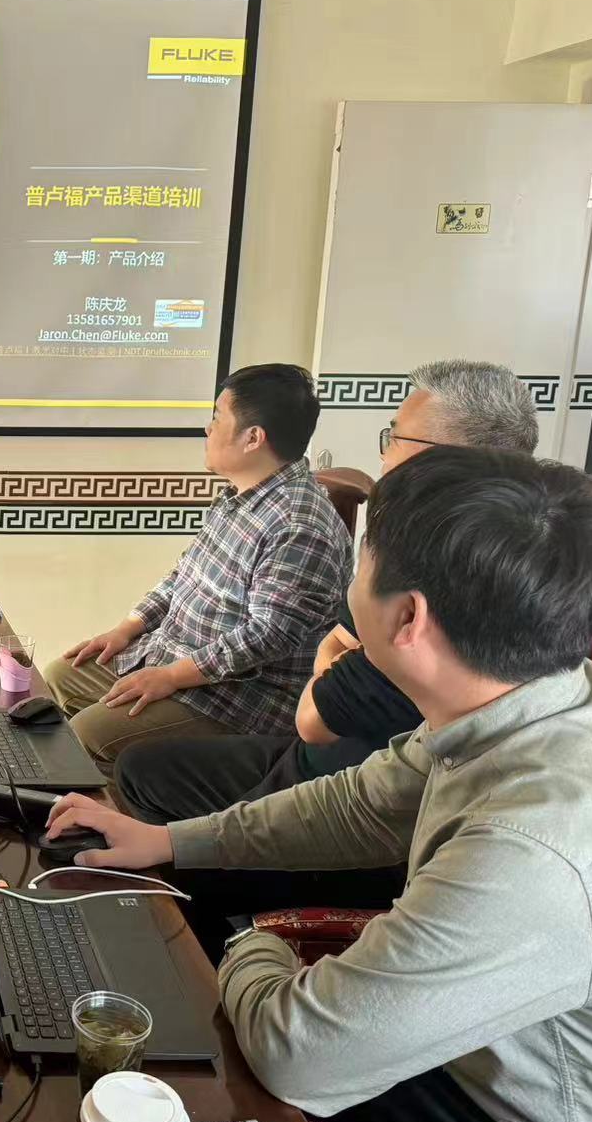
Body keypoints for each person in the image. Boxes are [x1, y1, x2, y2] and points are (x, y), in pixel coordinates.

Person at [46, 446, 592, 1122]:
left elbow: (296, 1057)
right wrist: (166, 841)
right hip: (494, 1058)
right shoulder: (554, 695)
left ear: (407, 616)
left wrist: (249, 943)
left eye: (361, 563)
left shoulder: (537, 851)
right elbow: (363, 802)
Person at [118, 361, 539, 855]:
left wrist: (336, 661)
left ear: (446, 458)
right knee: (139, 770)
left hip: (355, 796)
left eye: (394, 438)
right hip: (319, 756)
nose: (383, 456)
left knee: (175, 830)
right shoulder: (432, 543)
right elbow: (337, 641)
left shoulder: (449, 575)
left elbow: (314, 715)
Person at [44, 363, 351, 765]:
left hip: (238, 696)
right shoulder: (239, 497)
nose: (208, 429)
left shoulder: (299, 525)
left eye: (217, 418)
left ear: (253, 438)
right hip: (174, 655)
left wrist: (172, 677)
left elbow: (267, 637)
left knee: (90, 734)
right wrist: (125, 630)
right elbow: (182, 576)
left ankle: (123, 802)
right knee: (60, 676)